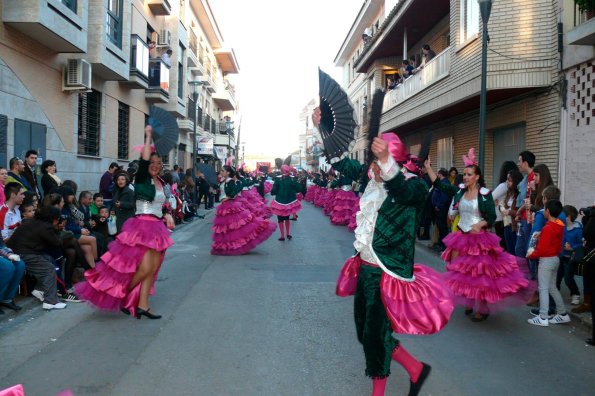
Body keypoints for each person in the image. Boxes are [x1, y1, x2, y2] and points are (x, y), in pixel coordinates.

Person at [326, 128, 453, 396]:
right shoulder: (373, 179)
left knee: (375, 336)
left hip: (388, 274)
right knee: (366, 333)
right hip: (365, 269)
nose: (371, 167)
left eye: (377, 161)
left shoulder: (413, 185)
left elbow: (405, 194)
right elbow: (344, 163)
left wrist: (386, 163)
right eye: (372, 162)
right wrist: (325, 126)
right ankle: (416, 369)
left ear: (391, 161)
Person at [76, 126, 175, 319]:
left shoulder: (161, 182)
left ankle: (143, 306)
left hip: (157, 228)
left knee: (152, 269)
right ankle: (122, 292)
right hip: (142, 227)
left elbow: (161, 205)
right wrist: (148, 137)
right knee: (145, 268)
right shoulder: (142, 180)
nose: (155, 165)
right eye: (152, 162)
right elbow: (145, 159)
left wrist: (167, 214)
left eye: (159, 162)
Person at [425, 148, 532, 322]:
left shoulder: (484, 195)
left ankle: (482, 308)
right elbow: (440, 185)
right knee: (462, 272)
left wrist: (481, 223)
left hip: (478, 240)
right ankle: (469, 300)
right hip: (461, 237)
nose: (465, 177)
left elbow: (490, 216)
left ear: (476, 177)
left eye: (469, 174)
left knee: (478, 275)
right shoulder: (460, 191)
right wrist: (429, 169)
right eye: (464, 174)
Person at [7, 206, 67, 310]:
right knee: (49, 269)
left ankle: (39, 290)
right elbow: (57, 243)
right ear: (53, 218)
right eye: (57, 219)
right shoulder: (46, 227)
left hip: (17, 251)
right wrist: (58, 229)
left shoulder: (34, 221)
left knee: (48, 260)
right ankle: (50, 302)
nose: (58, 221)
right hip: (23, 254)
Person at [211, 165, 276, 255]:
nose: (221, 172)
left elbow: (234, 191)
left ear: (228, 172)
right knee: (227, 228)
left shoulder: (230, 181)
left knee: (236, 226)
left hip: (229, 205)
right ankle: (228, 246)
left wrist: (229, 197)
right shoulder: (224, 181)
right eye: (221, 170)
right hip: (224, 206)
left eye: (222, 170)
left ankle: (235, 245)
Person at [526, 200, 570, 326]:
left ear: (548, 211)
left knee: (543, 288)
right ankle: (562, 314)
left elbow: (542, 249)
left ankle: (543, 316)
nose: (543, 211)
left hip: (546, 260)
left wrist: (531, 254)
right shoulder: (559, 224)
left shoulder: (547, 228)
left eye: (544, 209)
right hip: (555, 258)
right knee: (552, 288)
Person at [270, 165, 304, 240]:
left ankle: (282, 236)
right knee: (287, 217)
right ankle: (288, 234)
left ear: (282, 170)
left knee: (280, 219)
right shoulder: (292, 179)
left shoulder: (278, 179)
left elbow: (274, 190)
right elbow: (299, 188)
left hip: (279, 201)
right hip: (289, 201)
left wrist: (274, 192)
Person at [558, 205, 582, 306]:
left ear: (568, 217)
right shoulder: (561, 226)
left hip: (571, 258)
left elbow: (581, 244)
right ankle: (555, 296)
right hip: (561, 256)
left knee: (568, 278)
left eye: (562, 215)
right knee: (557, 278)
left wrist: (572, 247)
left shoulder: (578, 229)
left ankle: (575, 294)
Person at [492, 161, 519, 249]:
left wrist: (498, 203)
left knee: (508, 247)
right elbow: (492, 198)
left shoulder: (507, 187)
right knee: (506, 246)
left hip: (505, 220)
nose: (508, 181)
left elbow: (491, 197)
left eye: (509, 179)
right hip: (503, 220)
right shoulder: (505, 187)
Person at [515, 150, 536, 259]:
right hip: (523, 218)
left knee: (526, 248)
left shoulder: (533, 177)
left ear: (525, 163)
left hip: (529, 219)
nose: (518, 164)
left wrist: (519, 210)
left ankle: (529, 274)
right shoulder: (526, 177)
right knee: (519, 248)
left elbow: (529, 198)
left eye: (520, 161)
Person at [500, 169, 523, 255]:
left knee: (516, 251)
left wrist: (509, 212)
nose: (507, 182)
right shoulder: (509, 193)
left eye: (509, 180)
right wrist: (501, 207)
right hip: (507, 225)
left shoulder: (519, 194)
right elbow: (505, 207)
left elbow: (520, 211)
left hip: (515, 226)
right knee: (509, 250)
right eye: (507, 179)